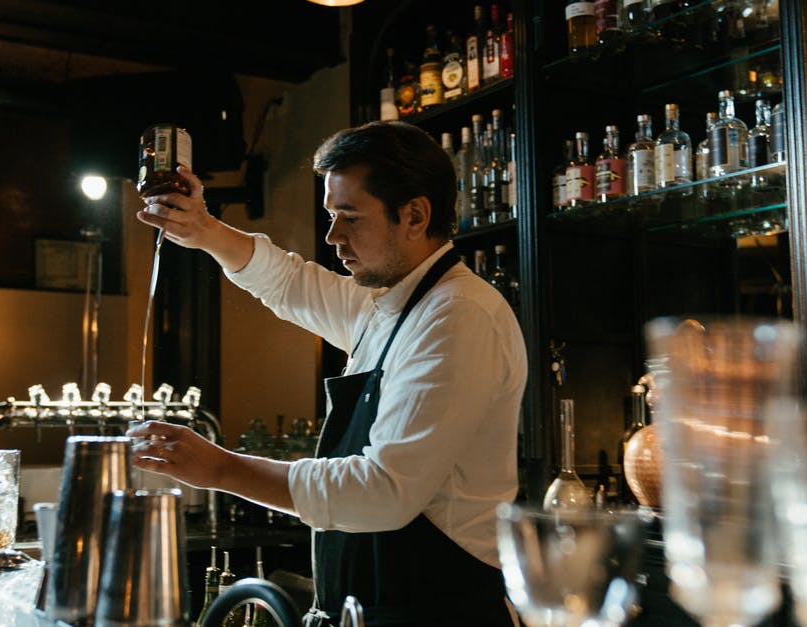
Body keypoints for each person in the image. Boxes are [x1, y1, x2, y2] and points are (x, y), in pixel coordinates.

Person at [129, 121, 526, 627]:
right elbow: (288, 282)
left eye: (350, 217)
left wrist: (221, 469)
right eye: (330, 215)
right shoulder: (391, 305)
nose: (333, 236)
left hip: (437, 613)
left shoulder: (458, 315)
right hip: (375, 610)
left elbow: (383, 490)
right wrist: (205, 229)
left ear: (415, 215)